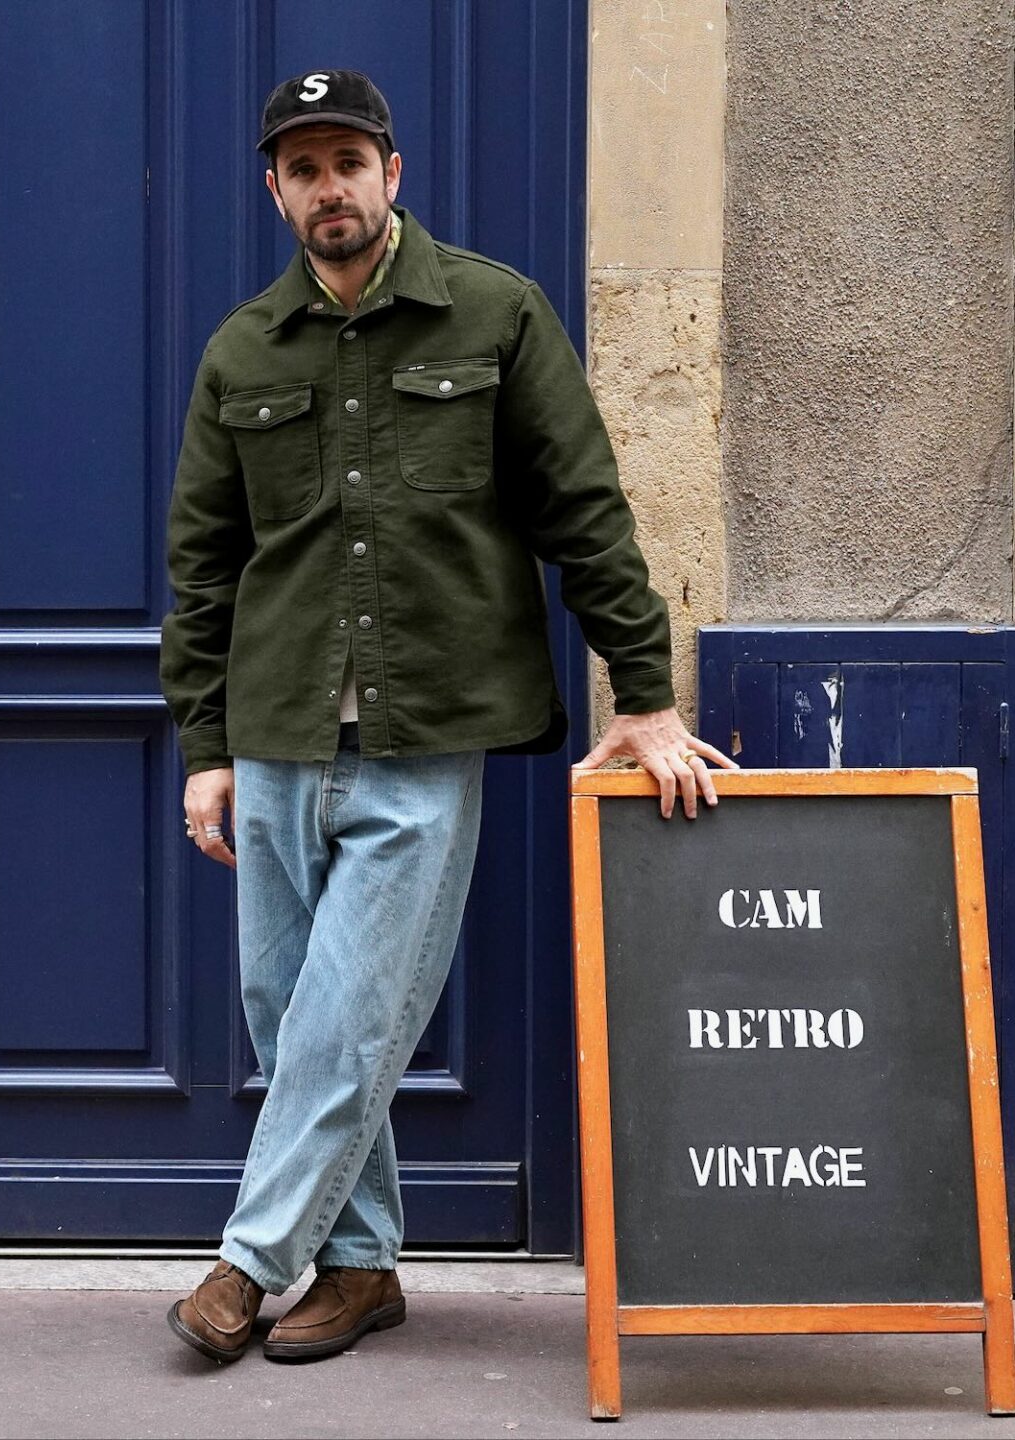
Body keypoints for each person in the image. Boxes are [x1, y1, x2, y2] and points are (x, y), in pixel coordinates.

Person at [159, 68, 737, 1365]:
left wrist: (642, 693)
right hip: (275, 734)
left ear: (392, 173)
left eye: (348, 164)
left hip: (426, 739)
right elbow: (204, 568)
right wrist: (205, 750)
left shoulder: (495, 314)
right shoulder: (243, 351)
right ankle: (361, 1269)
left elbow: (585, 512)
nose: (329, 191)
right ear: (276, 191)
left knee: (352, 1011)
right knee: (286, 1008)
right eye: (303, 171)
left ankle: (250, 1261)